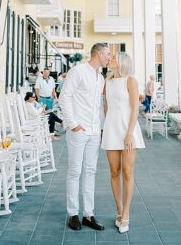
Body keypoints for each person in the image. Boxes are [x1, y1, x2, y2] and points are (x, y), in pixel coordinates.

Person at [59, 43, 110, 232]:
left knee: (91, 171)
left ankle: (88, 214)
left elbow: (99, 105)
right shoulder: (78, 71)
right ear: (98, 53)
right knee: (74, 171)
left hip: (95, 131)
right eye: (107, 54)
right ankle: (72, 213)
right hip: (78, 131)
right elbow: (65, 97)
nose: (109, 57)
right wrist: (73, 124)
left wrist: (102, 127)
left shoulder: (101, 78)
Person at [101, 52, 144, 234]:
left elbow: (135, 108)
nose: (109, 59)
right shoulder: (107, 81)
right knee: (114, 171)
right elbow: (106, 106)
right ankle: (118, 209)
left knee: (127, 172)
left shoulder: (131, 81)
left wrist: (129, 134)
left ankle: (126, 213)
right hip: (111, 130)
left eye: (113, 58)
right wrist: (105, 124)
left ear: (121, 62)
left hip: (128, 131)